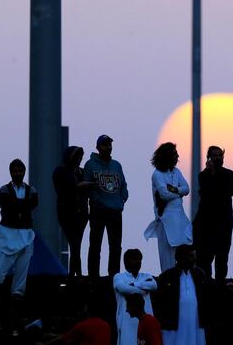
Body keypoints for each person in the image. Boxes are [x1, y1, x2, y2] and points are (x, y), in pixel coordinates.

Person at [0, 159, 37, 297]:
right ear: (10, 172)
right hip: (8, 233)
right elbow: (8, 206)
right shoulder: (4, 189)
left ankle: (17, 293)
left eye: (20, 170)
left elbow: (32, 205)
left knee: (22, 267)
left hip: (26, 233)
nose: (18, 173)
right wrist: (22, 206)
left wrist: (17, 206)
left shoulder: (31, 190)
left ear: (24, 171)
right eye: (15, 171)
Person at [84, 134, 129, 277]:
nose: (108, 147)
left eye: (109, 144)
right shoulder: (90, 165)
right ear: (98, 147)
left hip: (115, 211)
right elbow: (88, 187)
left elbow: (123, 185)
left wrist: (121, 200)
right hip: (98, 211)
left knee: (115, 247)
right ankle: (93, 276)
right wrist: (98, 201)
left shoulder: (116, 165)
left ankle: (113, 275)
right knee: (95, 245)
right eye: (104, 144)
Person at [144, 142, 192, 273]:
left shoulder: (177, 172)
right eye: (174, 154)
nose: (178, 156)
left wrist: (174, 190)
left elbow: (187, 189)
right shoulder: (157, 174)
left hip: (180, 218)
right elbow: (164, 194)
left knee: (183, 252)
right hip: (165, 219)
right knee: (167, 258)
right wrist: (178, 193)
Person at [192, 145, 233, 282]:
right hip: (206, 223)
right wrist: (210, 173)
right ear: (209, 158)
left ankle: (220, 284)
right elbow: (207, 192)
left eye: (219, 155)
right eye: (214, 155)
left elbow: (228, 191)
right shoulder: (203, 175)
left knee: (222, 256)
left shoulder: (229, 174)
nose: (217, 158)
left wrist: (214, 177)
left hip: (224, 221)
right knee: (205, 257)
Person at [156, 244, 208, 345]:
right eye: (191, 256)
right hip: (174, 322)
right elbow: (160, 301)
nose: (194, 259)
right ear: (182, 258)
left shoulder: (199, 274)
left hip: (195, 321)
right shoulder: (166, 276)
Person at [53, 145, 92, 277]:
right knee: (75, 244)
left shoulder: (82, 172)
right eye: (77, 156)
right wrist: (76, 187)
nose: (79, 159)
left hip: (82, 213)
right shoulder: (60, 171)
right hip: (67, 213)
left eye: (80, 156)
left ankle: (75, 275)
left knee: (76, 245)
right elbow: (61, 188)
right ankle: (75, 275)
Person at [113, 249, 157, 345]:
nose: (138, 262)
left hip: (145, 321)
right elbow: (123, 289)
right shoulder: (119, 277)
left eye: (140, 259)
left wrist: (134, 284)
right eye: (135, 259)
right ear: (126, 261)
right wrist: (143, 289)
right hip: (127, 321)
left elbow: (154, 285)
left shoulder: (146, 275)